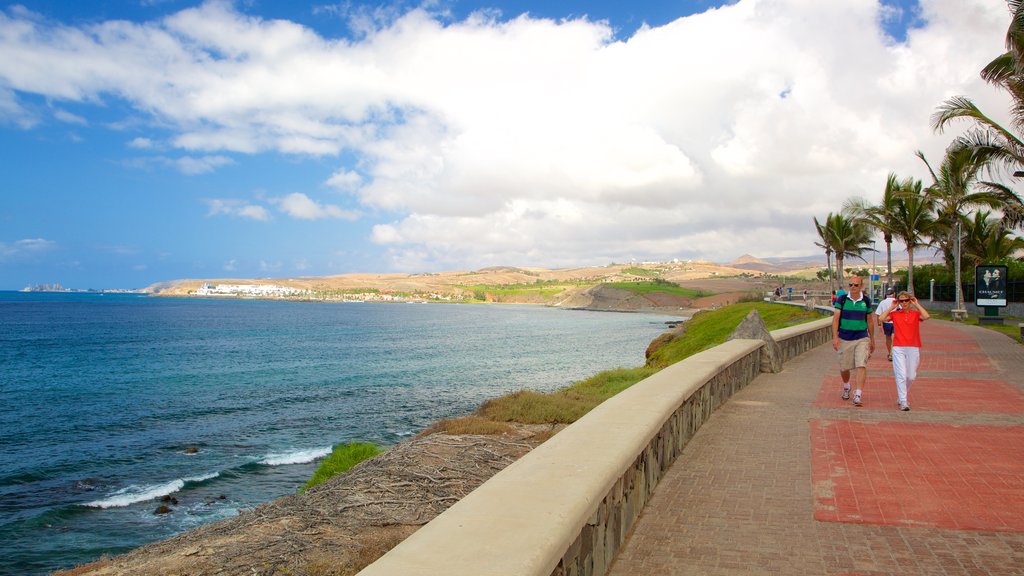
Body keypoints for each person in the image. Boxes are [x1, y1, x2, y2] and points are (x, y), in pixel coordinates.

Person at [879, 291, 930, 411]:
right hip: (898, 347)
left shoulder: (915, 313)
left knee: (911, 376)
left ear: (910, 301)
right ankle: (903, 400)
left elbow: (926, 316)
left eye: (906, 300)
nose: (904, 303)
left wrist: (916, 304)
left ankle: (902, 394)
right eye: (901, 301)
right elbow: (881, 318)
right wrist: (892, 306)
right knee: (901, 375)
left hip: (913, 346)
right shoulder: (895, 314)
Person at [832, 276, 874, 406]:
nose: (853, 287)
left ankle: (858, 394)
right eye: (851, 284)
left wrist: (872, 339)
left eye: (856, 285)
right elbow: (836, 319)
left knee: (861, 364)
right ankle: (846, 386)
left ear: (861, 286)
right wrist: (835, 337)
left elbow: (870, 320)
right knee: (844, 367)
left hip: (862, 337)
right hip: (845, 337)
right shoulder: (842, 300)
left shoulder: (866, 301)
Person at [875, 288, 896, 362]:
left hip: (886, 322)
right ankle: (891, 354)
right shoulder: (897, 302)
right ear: (893, 294)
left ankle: (890, 352)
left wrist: (879, 324)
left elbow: (878, 314)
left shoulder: (882, 302)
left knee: (888, 338)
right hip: (895, 322)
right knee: (894, 338)